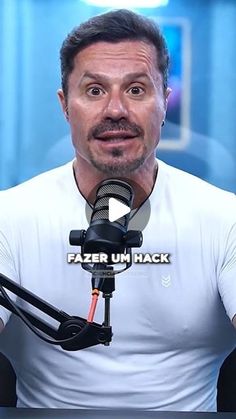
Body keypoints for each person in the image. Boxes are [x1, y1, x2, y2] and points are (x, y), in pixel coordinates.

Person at [0, 8, 235, 411]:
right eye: (94, 91)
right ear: (64, 104)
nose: (115, 110)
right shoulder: (9, 216)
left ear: (165, 102)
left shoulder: (225, 219)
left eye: (137, 90)